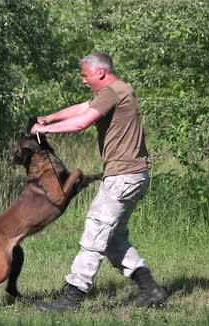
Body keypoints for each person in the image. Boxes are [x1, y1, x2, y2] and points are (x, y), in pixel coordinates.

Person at [30, 51, 167, 312]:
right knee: (113, 240)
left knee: (95, 231)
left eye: (85, 75)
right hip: (131, 176)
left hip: (123, 177)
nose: (83, 80)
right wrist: (47, 118)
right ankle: (151, 290)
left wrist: (45, 130)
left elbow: (82, 122)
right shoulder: (114, 91)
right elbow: (83, 108)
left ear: (100, 72)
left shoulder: (115, 90)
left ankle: (72, 298)